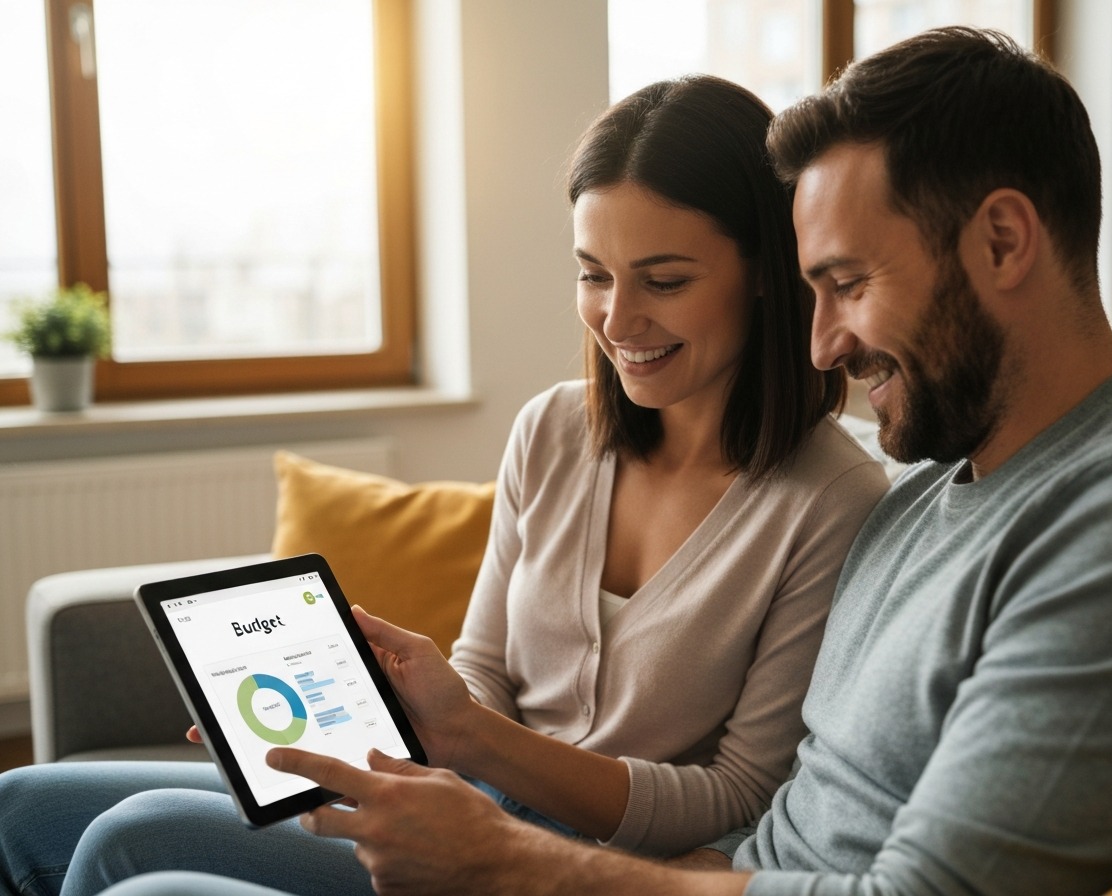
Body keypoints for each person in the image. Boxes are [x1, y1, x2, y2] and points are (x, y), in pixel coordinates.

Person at [69, 24, 1112, 896]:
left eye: (846, 285)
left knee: (138, 868)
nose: (820, 344)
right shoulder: (929, 492)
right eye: (813, 290)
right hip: (648, 871)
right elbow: (778, 823)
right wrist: (472, 772)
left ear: (1004, 238)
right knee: (89, 830)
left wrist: (516, 862)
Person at [0, 75, 890, 896]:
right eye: (593, 274)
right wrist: (421, 734)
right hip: (462, 791)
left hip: (582, 861)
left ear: (770, 274)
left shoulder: (833, 501)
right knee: (19, 804)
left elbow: (740, 795)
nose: (619, 320)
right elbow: (487, 668)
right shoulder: (554, 428)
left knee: (137, 838)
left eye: (664, 280)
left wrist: (473, 745)